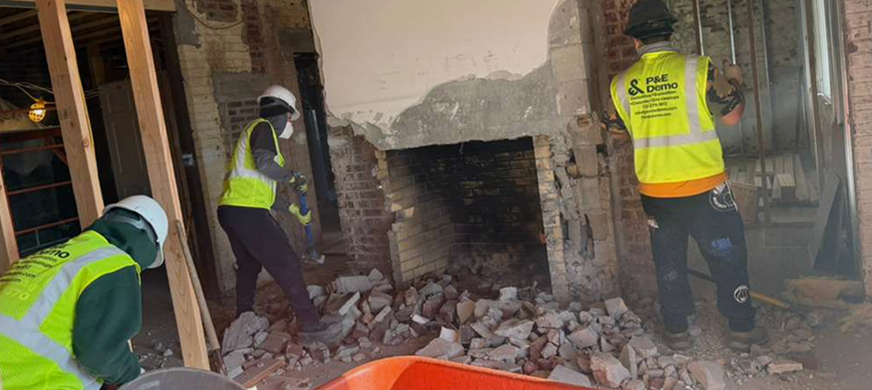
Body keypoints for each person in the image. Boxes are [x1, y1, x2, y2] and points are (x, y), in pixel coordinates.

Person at [607, 0, 768, 352]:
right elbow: (732, 117)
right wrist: (736, 81)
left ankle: (677, 328)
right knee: (726, 254)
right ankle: (741, 328)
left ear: (635, 40)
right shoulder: (698, 69)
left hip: (656, 194)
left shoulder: (620, 85)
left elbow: (618, 133)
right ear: (669, 31)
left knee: (668, 260)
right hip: (705, 188)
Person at [0, 195, 168, 389]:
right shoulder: (116, 265)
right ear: (148, 245)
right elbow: (101, 353)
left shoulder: (57, 254)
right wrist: (134, 375)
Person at [218, 85, 341, 343]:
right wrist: (292, 176)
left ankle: (244, 319)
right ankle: (309, 324)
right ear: (280, 113)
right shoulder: (263, 128)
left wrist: (293, 209)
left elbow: (265, 190)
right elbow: (264, 164)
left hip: (231, 210)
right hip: (246, 210)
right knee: (287, 263)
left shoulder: (258, 134)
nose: (290, 123)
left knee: (249, 265)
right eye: (289, 117)